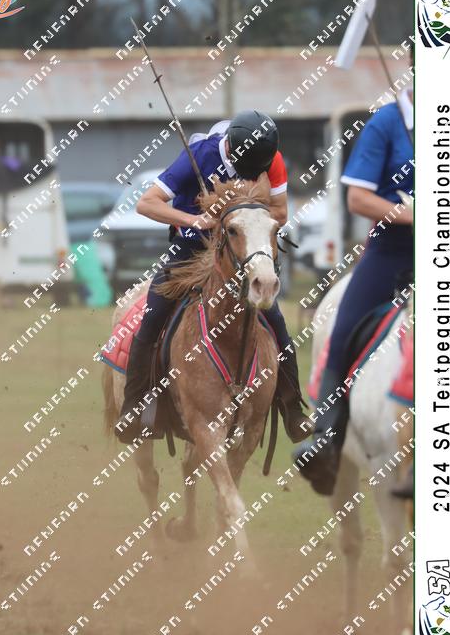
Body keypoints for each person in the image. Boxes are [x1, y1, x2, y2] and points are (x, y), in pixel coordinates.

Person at [115, 110, 309, 443]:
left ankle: (293, 410)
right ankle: (135, 408)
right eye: (247, 169)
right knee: (154, 314)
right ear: (230, 149)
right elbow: (147, 204)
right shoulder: (199, 155)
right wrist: (197, 221)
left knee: (276, 321)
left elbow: (279, 212)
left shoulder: (271, 159)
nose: (251, 176)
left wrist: (239, 216)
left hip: (241, 252)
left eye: (257, 171)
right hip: (191, 248)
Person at [293, 85, 414, 496]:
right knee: (342, 330)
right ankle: (326, 440)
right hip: (393, 252)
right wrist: (413, 214)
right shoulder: (387, 123)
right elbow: (358, 199)